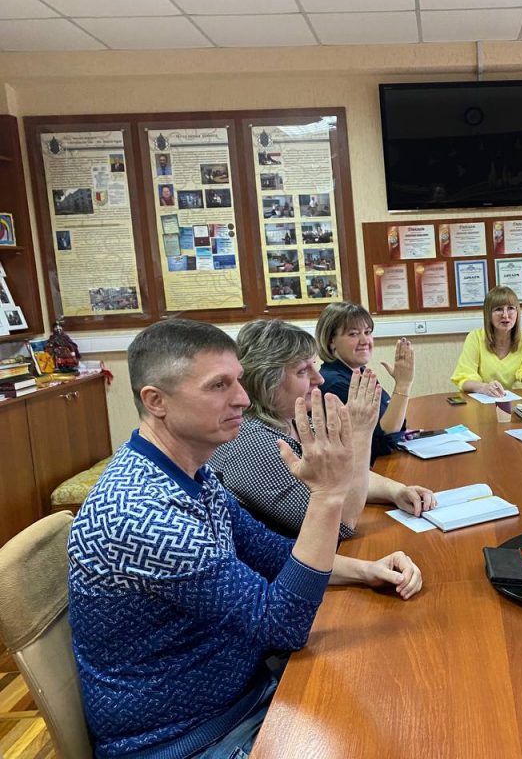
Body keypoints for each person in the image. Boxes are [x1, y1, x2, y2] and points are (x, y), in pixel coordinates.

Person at [67, 319, 422, 758]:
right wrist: (328, 495)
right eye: (219, 385)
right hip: (189, 739)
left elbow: (270, 552)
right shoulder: (143, 515)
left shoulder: (189, 473)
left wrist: (366, 570)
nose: (242, 398)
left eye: (237, 380)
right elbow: (282, 626)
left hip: (245, 695)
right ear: (156, 401)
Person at [210, 319, 435, 539]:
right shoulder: (252, 444)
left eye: (314, 366)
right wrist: (361, 433)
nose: (318, 379)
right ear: (266, 381)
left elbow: (343, 476)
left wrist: (395, 491)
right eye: (302, 371)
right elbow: (341, 525)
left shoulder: (294, 420)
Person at [317, 302, 413, 465]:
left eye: (367, 332)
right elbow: (383, 441)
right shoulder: (334, 384)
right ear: (331, 341)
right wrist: (403, 385)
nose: (364, 341)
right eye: (353, 334)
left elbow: (394, 423)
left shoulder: (359, 372)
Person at [451, 285, 522, 397]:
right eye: (498, 309)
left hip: (518, 403)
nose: (505, 315)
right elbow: (464, 379)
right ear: (488, 314)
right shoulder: (475, 337)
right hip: (485, 402)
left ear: (517, 312)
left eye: (510, 308)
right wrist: (483, 387)